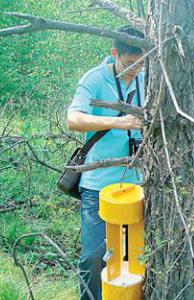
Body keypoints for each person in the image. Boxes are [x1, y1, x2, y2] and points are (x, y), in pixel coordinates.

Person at [66, 27, 145, 300]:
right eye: (129, 63)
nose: (135, 69)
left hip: (136, 182)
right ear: (114, 54)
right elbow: (74, 119)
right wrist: (116, 122)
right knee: (94, 256)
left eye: (141, 63)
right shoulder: (95, 78)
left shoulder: (145, 79)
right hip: (98, 184)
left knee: (135, 258)